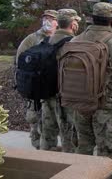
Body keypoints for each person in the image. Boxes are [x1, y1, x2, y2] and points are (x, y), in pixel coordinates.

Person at [73, 2, 112, 179]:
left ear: (93, 18)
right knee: (107, 154)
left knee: (83, 148)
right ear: (111, 21)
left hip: (80, 103)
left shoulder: (76, 39)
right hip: (106, 106)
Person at [16, 9, 58, 150]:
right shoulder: (32, 39)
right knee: (34, 118)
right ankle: (37, 145)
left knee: (50, 120)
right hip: (34, 87)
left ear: (57, 22)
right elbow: (19, 61)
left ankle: (48, 146)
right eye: (45, 18)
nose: (47, 21)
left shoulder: (58, 38)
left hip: (51, 87)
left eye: (51, 18)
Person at [40, 9, 80, 152]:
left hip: (47, 92)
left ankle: (44, 164)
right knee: (68, 135)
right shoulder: (74, 43)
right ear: (72, 24)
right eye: (76, 22)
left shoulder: (46, 40)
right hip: (66, 96)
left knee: (47, 132)